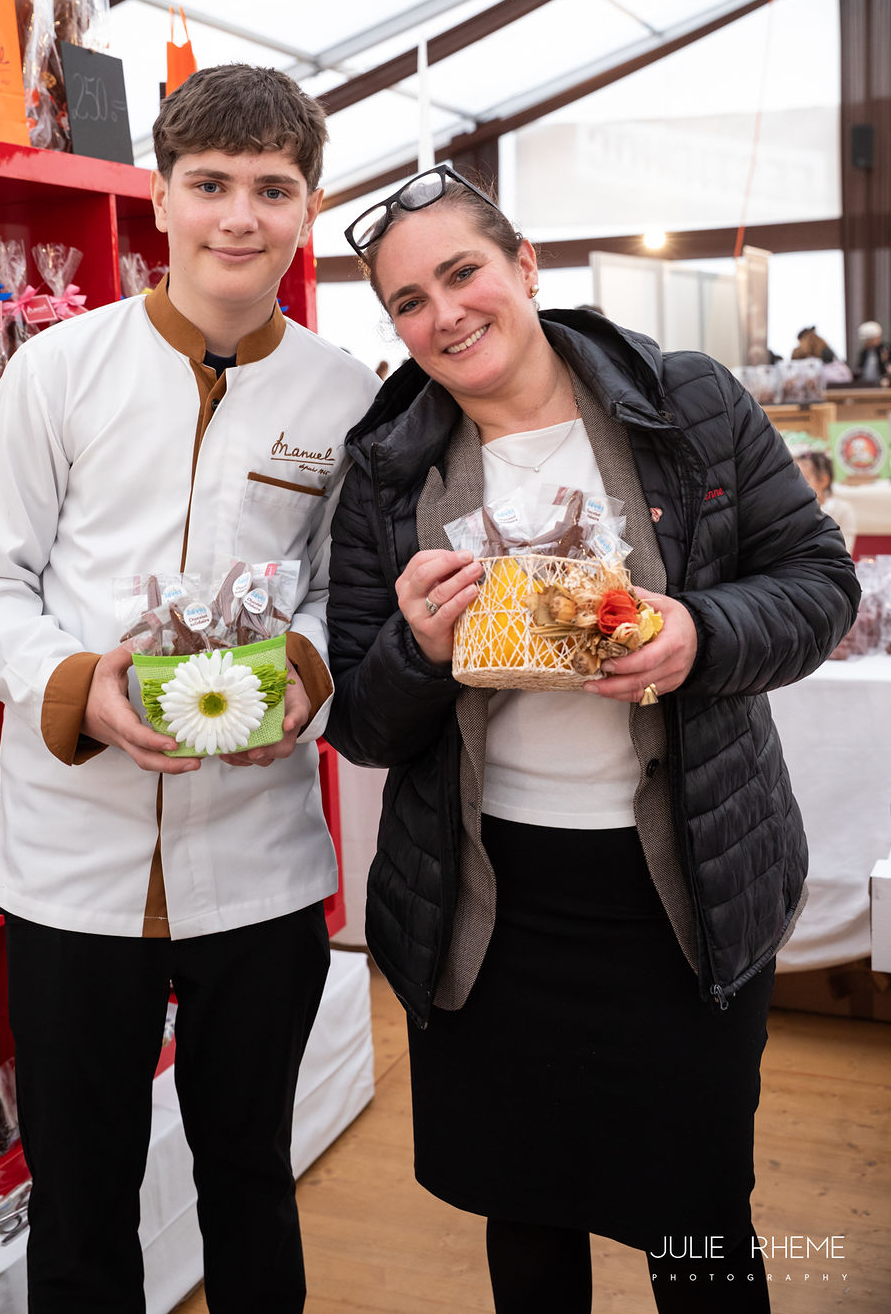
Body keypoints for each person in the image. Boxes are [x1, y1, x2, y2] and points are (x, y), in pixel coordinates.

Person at [323, 164, 858, 1313]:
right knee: (525, 1214)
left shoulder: (684, 402)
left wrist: (697, 635)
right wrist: (418, 649)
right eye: (409, 300)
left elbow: (819, 581)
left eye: (462, 272)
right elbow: (360, 725)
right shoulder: (389, 468)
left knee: (698, 1222)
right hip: (487, 904)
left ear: (524, 267)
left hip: (682, 889)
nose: (444, 313)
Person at [0, 65, 379, 1314]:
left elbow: (337, 593)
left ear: (309, 205)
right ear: (159, 197)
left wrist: (301, 674)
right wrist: (78, 684)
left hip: (260, 863)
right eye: (210, 185)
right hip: (74, 867)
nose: (239, 217)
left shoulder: (343, 395)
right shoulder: (58, 371)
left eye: (272, 189)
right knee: (81, 1205)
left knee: (251, 1182)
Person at [793, 445, 858, 556]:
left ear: (823, 480)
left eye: (803, 479)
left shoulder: (841, 510)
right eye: (793, 479)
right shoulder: (789, 510)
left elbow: (844, 552)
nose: (795, 486)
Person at [854, 319, 891, 385]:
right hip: (866, 384)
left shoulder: (885, 349)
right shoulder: (864, 352)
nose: (867, 343)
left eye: (869, 340)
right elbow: (859, 369)